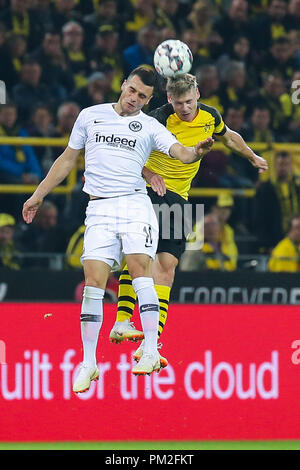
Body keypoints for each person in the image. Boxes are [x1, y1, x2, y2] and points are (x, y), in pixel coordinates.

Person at [22, 66, 215, 393]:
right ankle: (89, 362)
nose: (135, 99)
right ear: (123, 85)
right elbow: (68, 159)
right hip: (98, 208)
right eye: (132, 91)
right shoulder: (89, 116)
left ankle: (151, 350)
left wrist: (196, 151)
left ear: (149, 99)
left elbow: (179, 152)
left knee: (141, 269)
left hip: (134, 205)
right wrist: (38, 195)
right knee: (94, 282)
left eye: (143, 96)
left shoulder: (150, 126)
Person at [109, 72, 268, 367]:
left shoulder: (210, 116)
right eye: (179, 102)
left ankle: (150, 344)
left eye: (189, 101)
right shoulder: (157, 117)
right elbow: (127, 153)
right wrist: (149, 173)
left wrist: (251, 156)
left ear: (197, 93)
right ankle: (122, 320)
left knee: (167, 267)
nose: (185, 108)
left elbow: (229, 136)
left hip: (179, 198)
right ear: (169, 98)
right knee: (140, 257)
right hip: (146, 190)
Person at [253, 151, 300, 252]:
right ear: (275, 166)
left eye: (286, 164)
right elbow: (260, 218)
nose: (283, 168)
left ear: (291, 166)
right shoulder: (265, 189)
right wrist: (267, 244)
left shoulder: (297, 189)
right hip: (273, 240)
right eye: (280, 164)